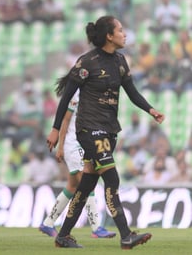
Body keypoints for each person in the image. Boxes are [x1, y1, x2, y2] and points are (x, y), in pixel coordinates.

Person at [46, 15, 164, 249]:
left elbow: (132, 92)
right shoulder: (87, 62)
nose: (124, 33)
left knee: (88, 183)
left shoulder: (120, 61)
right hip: (89, 129)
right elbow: (66, 97)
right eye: (120, 30)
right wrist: (56, 129)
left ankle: (63, 236)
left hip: (109, 130)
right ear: (109, 36)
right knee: (112, 177)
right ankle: (126, 236)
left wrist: (151, 109)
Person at [39, 86, 116, 239]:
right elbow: (65, 121)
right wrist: (60, 147)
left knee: (73, 186)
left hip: (83, 143)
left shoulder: (93, 95)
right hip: (72, 145)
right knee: (87, 182)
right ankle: (96, 227)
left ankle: (48, 223)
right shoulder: (77, 95)